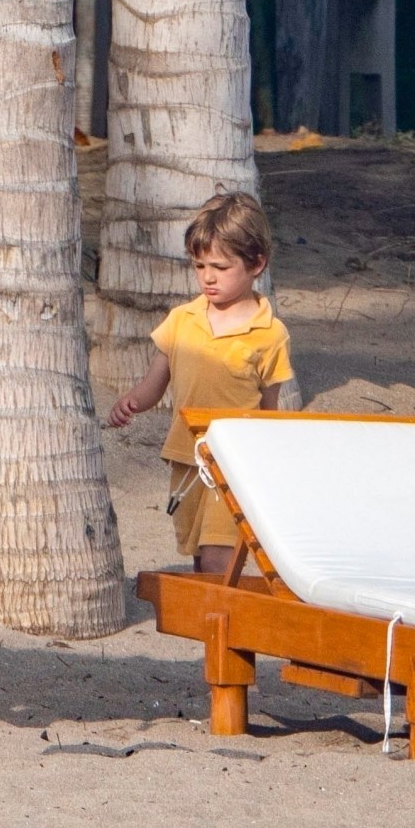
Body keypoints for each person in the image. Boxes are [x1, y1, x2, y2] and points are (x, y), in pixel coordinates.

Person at [108, 192, 293, 575]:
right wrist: (132, 402)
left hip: (234, 461)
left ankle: (224, 630)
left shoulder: (270, 334)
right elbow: (156, 382)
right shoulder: (181, 319)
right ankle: (213, 631)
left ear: (257, 263)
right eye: (199, 265)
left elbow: (271, 407)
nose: (208, 277)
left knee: (218, 557)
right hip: (186, 456)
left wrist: (270, 458)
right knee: (197, 553)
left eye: (221, 267)